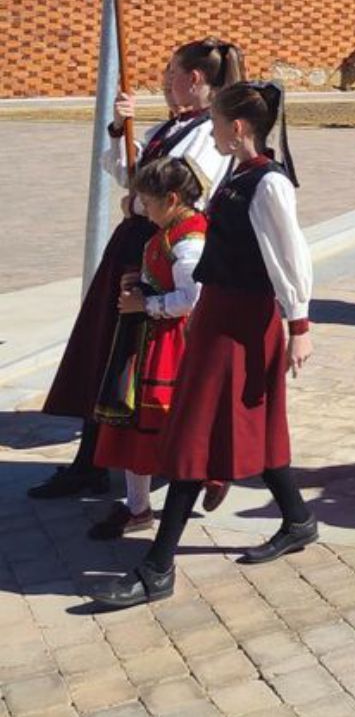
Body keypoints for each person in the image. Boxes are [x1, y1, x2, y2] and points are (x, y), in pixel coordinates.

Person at [89, 82, 315, 608]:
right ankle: (299, 519)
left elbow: (291, 255)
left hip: (241, 319)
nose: (208, 130)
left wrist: (299, 325)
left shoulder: (269, 183)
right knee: (247, 423)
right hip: (218, 314)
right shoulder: (235, 173)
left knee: (193, 434)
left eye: (214, 122)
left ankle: (157, 567)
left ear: (238, 129)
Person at [29, 39, 240, 502]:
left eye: (170, 74)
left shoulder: (208, 135)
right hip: (134, 246)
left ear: (195, 79)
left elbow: (176, 192)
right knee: (106, 351)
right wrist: (120, 129)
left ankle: (188, 462)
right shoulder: (174, 127)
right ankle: (92, 460)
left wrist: (141, 197)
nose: (165, 82)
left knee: (139, 363)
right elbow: (128, 175)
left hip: (162, 254)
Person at [87, 158, 209, 540]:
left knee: (161, 428)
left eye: (149, 202)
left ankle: (203, 477)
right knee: (130, 428)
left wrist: (148, 304)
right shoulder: (169, 230)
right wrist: (139, 283)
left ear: (172, 199)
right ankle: (137, 506)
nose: (144, 210)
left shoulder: (189, 241)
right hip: (147, 342)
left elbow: (191, 298)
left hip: (170, 348)